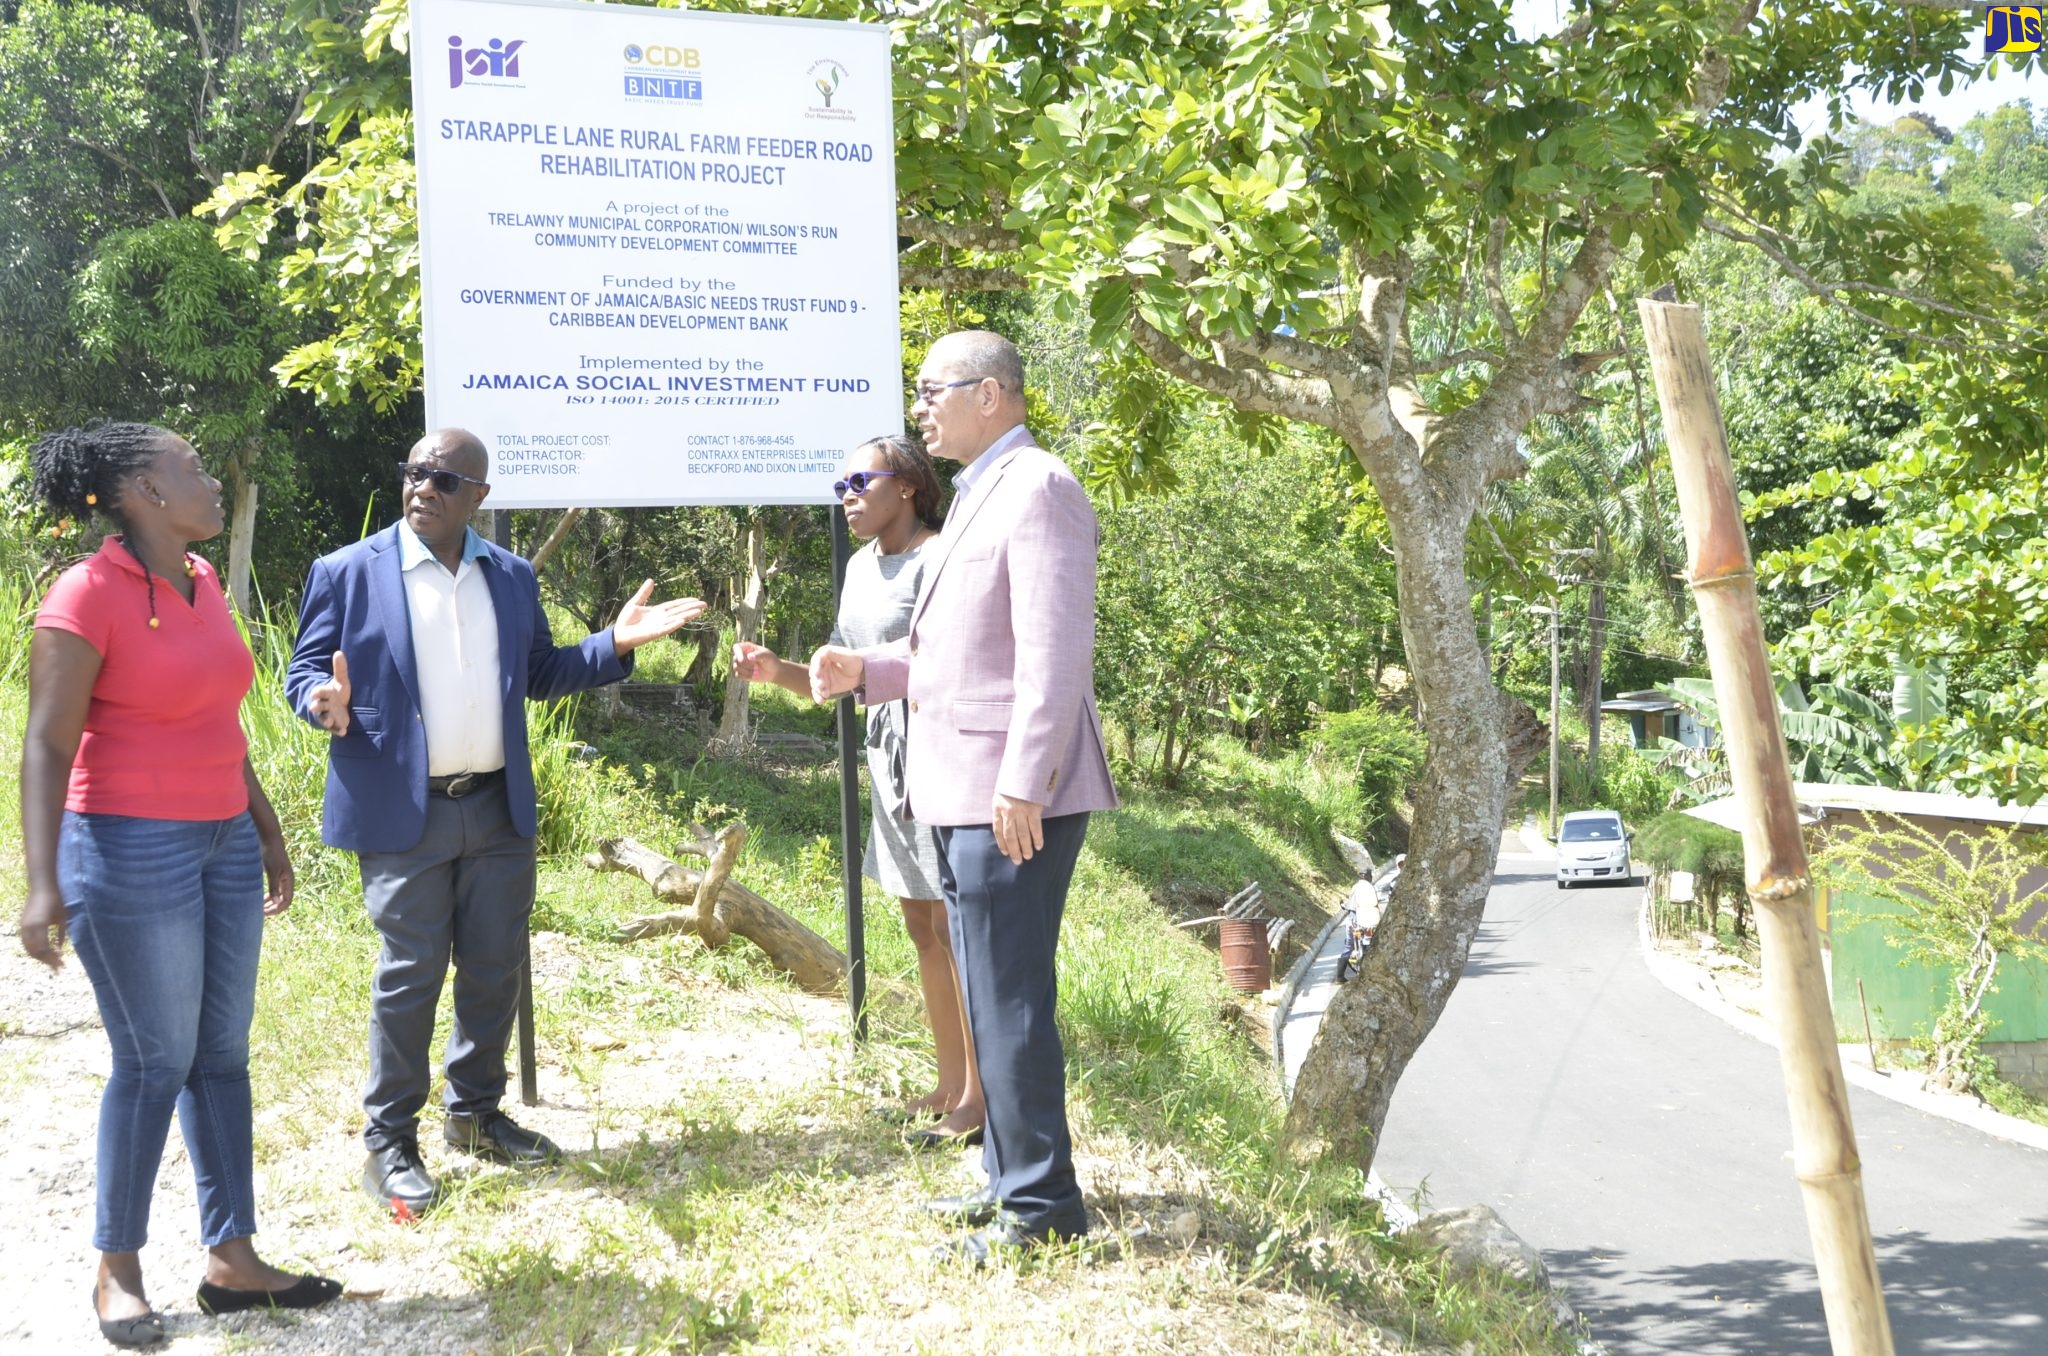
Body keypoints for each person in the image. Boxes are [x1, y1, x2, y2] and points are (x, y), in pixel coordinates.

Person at [285, 428, 705, 1217]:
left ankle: (474, 1115)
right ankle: (389, 1141)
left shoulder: (508, 576)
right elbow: (304, 670)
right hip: (402, 813)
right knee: (410, 974)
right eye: (414, 473)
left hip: (497, 806)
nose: (424, 490)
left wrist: (614, 643)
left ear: (479, 495)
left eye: (444, 479)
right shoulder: (347, 572)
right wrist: (319, 700)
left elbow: (541, 672)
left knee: (494, 963)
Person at [17, 423, 341, 1348]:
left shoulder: (201, 585)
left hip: (222, 842)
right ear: (143, 493)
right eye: (190, 468)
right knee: (155, 1059)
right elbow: (46, 743)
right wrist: (44, 883)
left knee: (221, 1055)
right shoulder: (83, 597)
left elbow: (217, 720)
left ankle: (231, 1259)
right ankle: (116, 1271)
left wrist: (265, 828)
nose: (206, 477)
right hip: (128, 850)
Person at [810, 332, 1118, 1263]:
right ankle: (1005, 1175)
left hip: (1010, 795)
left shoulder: (1041, 488)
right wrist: (867, 669)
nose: (920, 406)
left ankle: (1042, 1210)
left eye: (932, 389)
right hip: (957, 791)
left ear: (992, 395)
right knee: (991, 992)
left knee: (1013, 998)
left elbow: (1055, 654)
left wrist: (1026, 778)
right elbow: (954, 655)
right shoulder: (983, 489)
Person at [732, 434, 985, 1148]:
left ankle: (978, 1099)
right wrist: (774, 669)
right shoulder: (859, 570)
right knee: (922, 927)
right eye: (839, 482)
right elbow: (841, 677)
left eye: (859, 481)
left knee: (958, 931)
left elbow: (958, 663)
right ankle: (946, 1083)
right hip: (890, 763)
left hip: (946, 759)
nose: (845, 495)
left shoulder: (941, 557)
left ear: (907, 486)